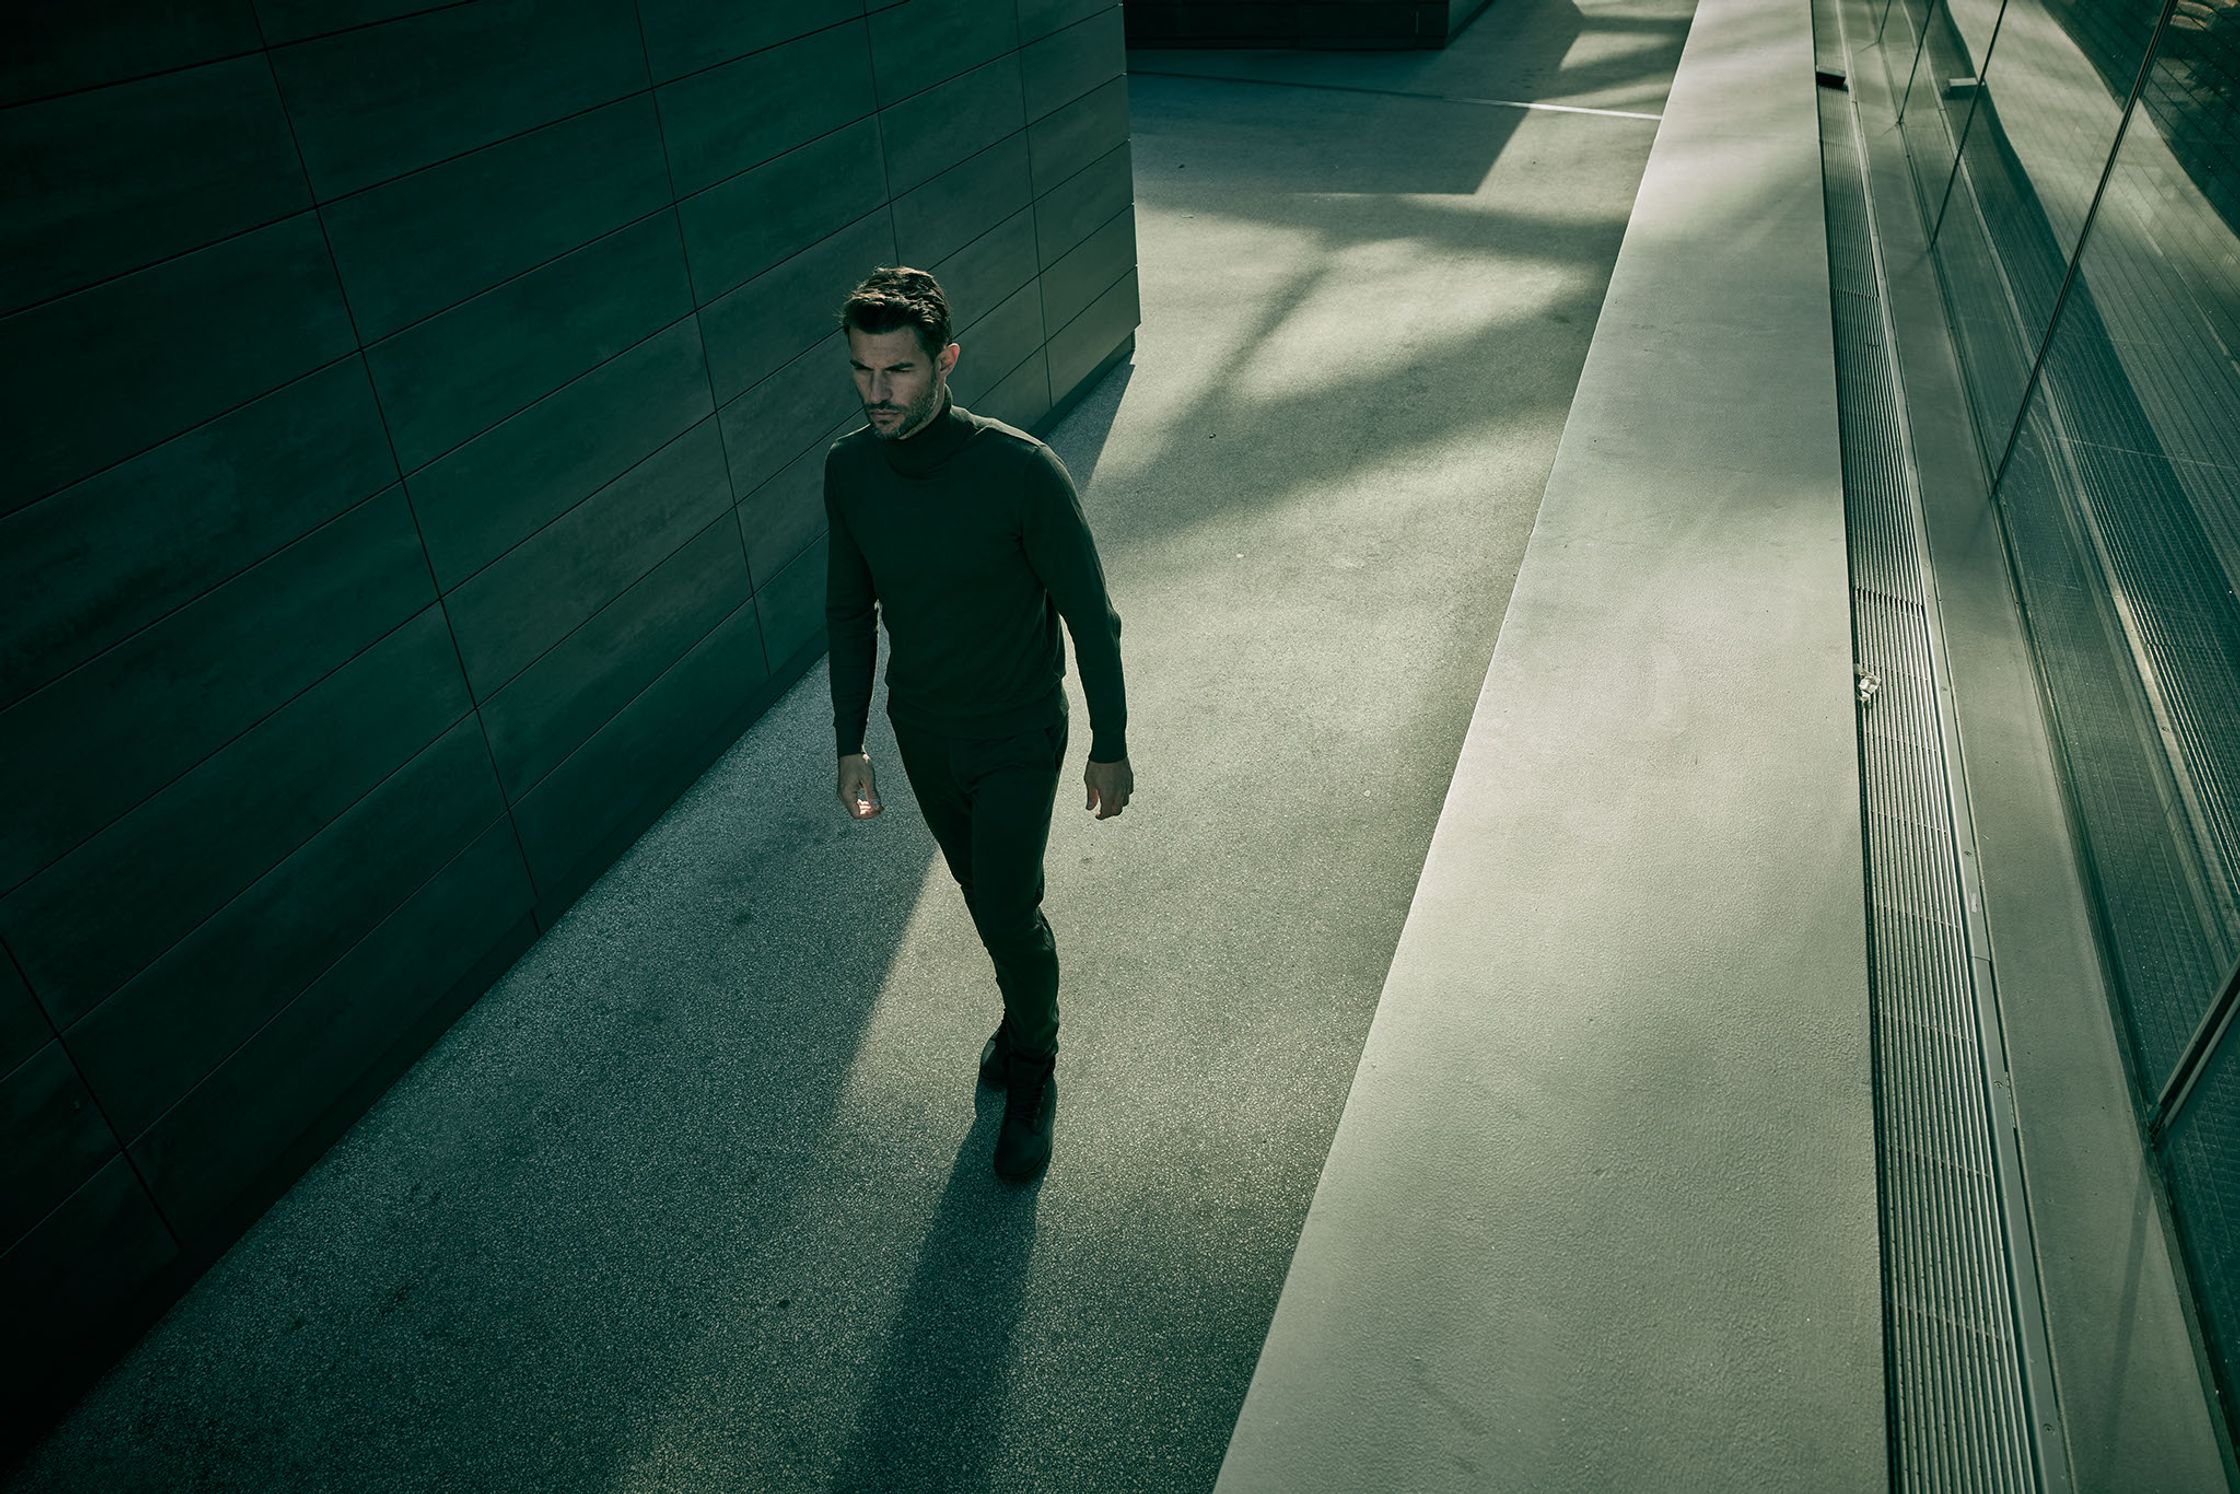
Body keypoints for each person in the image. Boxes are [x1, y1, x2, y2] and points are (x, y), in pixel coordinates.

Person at [822, 266, 1134, 1182]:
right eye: (863, 371)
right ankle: (1020, 1010)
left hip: (1016, 735)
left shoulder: (1020, 472)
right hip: (924, 731)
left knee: (1006, 906)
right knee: (989, 903)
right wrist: (853, 741)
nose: (879, 392)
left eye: (900, 372)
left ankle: (1034, 1064)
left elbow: (1092, 616)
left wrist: (1109, 743)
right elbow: (849, 612)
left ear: (945, 361)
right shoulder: (849, 470)